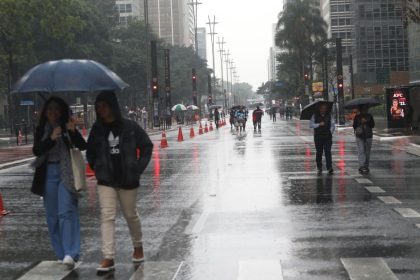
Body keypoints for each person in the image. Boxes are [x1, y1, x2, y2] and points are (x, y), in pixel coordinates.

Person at [86, 91, 153, 272]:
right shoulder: (97, 129)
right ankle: (108, 257)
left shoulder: (130, 126)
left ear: (113, 105)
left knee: (130, 214)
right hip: (106, 179)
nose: (101, 110)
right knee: (107, 216)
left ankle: (138, 246)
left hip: (128, 179)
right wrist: (97, 167)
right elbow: (90, 151)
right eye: (98, 107)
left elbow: (147, 145)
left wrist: (137, 168)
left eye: (104, 106)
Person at [31, 96, 87, 269]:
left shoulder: (66, 126)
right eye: (50, 110)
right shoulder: (42, 129)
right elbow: (36, 150)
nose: (53, 113)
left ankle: (71, 252)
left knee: (66, 212)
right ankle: (61, 253)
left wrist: (71, 131)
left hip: (66, 173)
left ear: (62, 111)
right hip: (48, 173)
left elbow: (82, 145)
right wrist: (51, 138)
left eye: (56, 109)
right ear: (45, 113)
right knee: (52, 216)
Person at [309, 103, 335, 175]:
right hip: (318, 136)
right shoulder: (315, 115)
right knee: (319, 152)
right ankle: (319, 166)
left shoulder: (329, 115)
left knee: (327, 151)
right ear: (320, 108)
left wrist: (331, 131)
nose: (324, 109)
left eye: (325, 108)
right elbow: (311, 125)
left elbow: (333, 125)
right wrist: (318, 124)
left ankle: (329, 167)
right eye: (322, 108)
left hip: (327, 136)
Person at [353, 105, 375, 174]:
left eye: (366, 109)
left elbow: (372, 125)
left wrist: (366, 122)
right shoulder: (357, 116)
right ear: (361, 109)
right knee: (361, 151)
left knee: (367, 152)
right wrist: (360, 122)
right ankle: (361, 166)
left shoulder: (370, 116)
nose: (365, 110)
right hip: (360, 136)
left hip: (368, 136)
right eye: (364, 109)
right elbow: (354, 126)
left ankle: (366, 166)